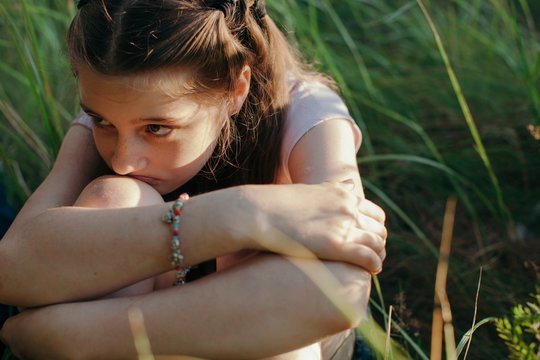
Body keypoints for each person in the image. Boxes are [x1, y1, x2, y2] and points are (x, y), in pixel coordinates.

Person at [0, 0, 387, 358]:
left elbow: (340, 292)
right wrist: (241, 214)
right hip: (177, 335)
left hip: (272, 341)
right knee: (113, 196)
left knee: (283, 295)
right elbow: (12, 269)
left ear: (236, 89)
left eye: (157, 128)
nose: (122, 160)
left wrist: (76, 333)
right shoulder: (118, 113)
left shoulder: (304, 112)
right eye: (102, 121)